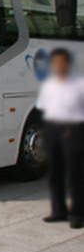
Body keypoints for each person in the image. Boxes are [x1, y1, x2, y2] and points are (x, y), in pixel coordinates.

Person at [37, 48, 84, 230]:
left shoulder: (79, 84)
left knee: (74, 174)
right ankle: (58, 211)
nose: (59, 66)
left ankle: (78, 214)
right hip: (51, 129)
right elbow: (43, 106)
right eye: (55, 63)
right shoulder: (49, 85)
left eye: (62, 62)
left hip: (72, 129)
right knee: (55, 172)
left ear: (68, 64)